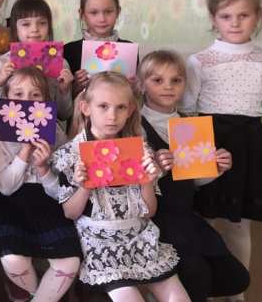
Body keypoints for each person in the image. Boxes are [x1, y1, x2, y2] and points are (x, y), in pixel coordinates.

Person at [48, 72, 189, 301]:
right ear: (86, 108)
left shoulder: (139, 150)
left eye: (120, 107)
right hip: (99, 243)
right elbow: (70, 213)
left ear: (130, 110)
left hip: (140, 239)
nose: (112, 116)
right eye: (103, 106)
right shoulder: (70, 155)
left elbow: (149, 211)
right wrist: (85, 186)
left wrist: (146, 181)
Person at [180, 0, 262, 293]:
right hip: (207, 140)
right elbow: (187, 107)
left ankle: (237, 291)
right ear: (213, 18)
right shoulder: (200, 61)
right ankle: (203, 284)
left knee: (239, 225)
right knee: (203, 219)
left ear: (258, 16)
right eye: (226, 16)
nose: (235, 23)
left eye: (243, 15)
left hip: (249, 145)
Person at [139, 50, 250, 302]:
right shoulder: (136, 125)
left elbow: (194, 179)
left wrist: (216, 169)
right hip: (154, 221)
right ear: (142, 85)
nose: (168, 87)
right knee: (197, 275)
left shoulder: (188, 123)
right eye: (158, 80)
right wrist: (156, 171)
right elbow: (129, 184)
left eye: (176, 80)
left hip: (184, 215)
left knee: (236, 278)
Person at [0, 66, 81, 302]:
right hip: (10, 203)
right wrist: (25, 151)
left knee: (69, 262)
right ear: (6, 99)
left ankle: (29, 297)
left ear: (46, 102)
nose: (27, 101)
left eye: (35, 95)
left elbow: (61, 191)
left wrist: (43, 169)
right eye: (18, 95)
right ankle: (29, 292)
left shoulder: (55, 132)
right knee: (13, 258)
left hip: (48, 202)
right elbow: (5, 187)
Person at [0, 0, 74, 141]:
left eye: (42, 23)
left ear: (49, 26)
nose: (35, 29)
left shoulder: (61, 64)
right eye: (26, 24)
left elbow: (64, 114)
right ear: (15, 28)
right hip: (11, 138)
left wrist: (64, 91)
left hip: (47, 137)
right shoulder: (2, 63)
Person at [63, 0, 133, 96]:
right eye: (94, 13)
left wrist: (134, 88)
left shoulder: (129, 50)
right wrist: (74, 88)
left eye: (108, 12)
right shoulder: (69, 51)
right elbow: (61, 99)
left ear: (118, 12)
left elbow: (134, 97)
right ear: (82, 14)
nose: (102, 19)